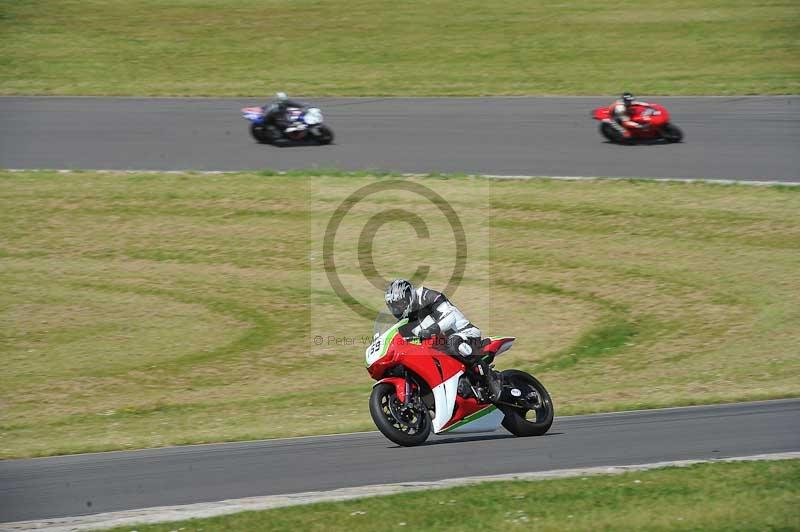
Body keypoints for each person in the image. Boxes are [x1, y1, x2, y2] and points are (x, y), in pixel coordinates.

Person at [384, 279, 503, 401]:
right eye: (393, 307)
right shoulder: (406, 320)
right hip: (439, 345)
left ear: (408, 296)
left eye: (399, 304)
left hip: (464, 333)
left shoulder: (427, 296)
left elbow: (450, 316)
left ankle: (490, 377)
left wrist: (431, 329)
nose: (397, 309)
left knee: (453, 344)